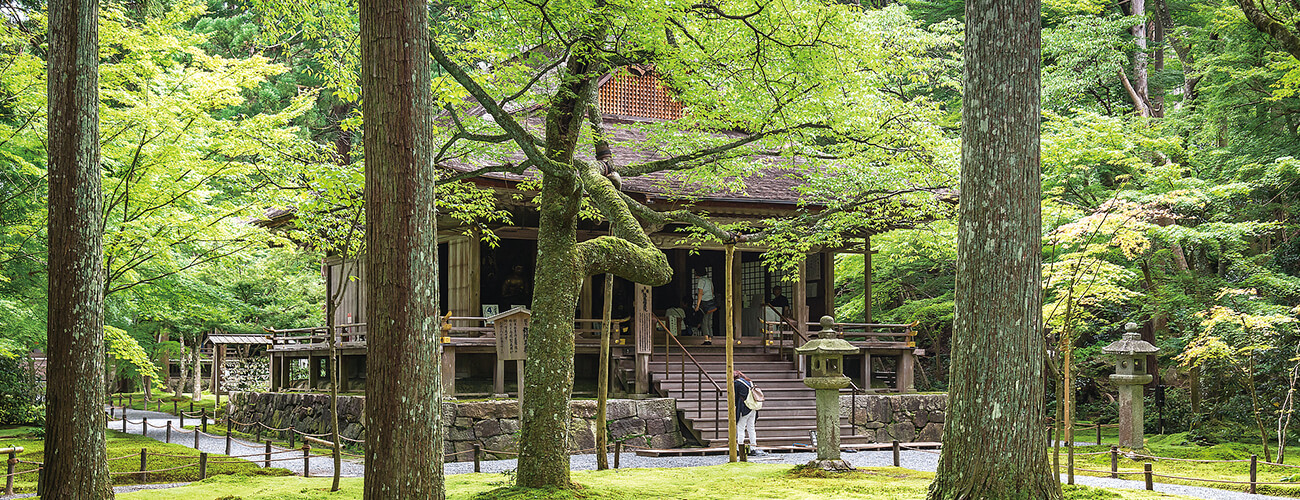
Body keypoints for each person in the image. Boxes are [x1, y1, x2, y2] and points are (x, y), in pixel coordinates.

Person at [734, 370, 763, 455]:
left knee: (740, 427)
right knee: (751, 428)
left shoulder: (736, 383)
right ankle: (753, 448)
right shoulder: (749, 382)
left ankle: (739, 449)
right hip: (752, 407)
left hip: (743, 408)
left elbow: (735, 397)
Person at [693, 267, 717, 345]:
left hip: (705, 303)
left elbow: (700, 292)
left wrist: (697, 305)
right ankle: (710, 338)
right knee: (710, 321)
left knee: (704, 321)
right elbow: (712, 291)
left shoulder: (701, 281)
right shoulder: (709, 281)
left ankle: (706, 339)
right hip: (711, 303)